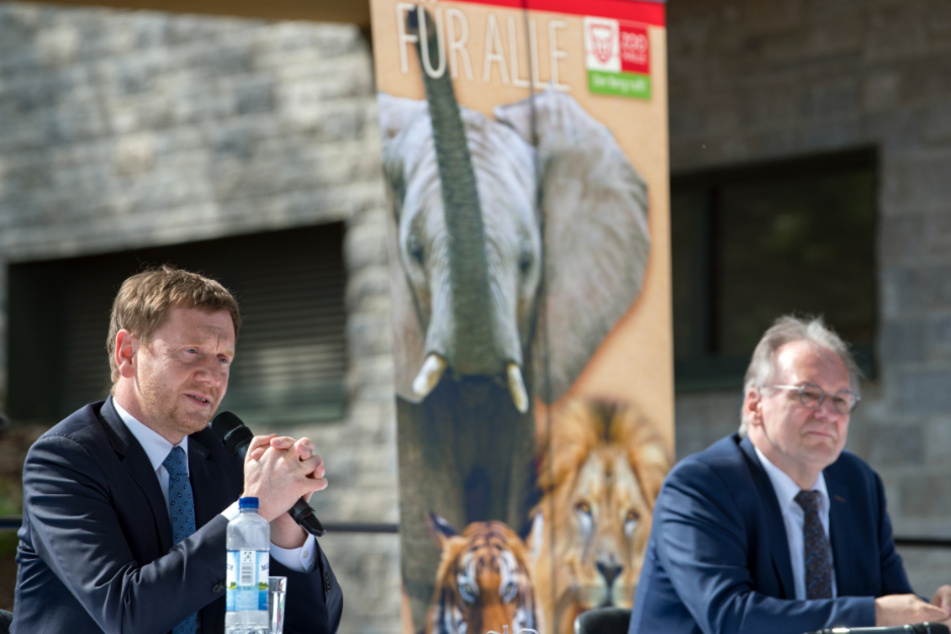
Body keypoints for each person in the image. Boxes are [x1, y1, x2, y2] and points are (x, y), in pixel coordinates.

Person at [12, 266, 343, 634]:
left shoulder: (228, 457)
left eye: (223, 359)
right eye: (191, 352)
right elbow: (127, 613)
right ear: (128, 353)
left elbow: (316, 626)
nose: (213, 377)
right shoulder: (64, 459)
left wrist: (284, 530)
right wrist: (253, 510)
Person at [629, 315, 951, 634]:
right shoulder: (699, 489)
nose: (827, 413)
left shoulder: (858, 484)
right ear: (755, 405)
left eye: (841, 400)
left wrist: (931, 611)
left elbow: (892, 603)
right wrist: (875, 613)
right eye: (807, 394)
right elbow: (732, 619)